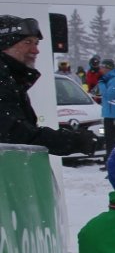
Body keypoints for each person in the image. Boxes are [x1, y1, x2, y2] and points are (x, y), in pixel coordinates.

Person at [0, 16, 97, 155]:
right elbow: (15, 135)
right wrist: (72, 140)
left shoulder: (12, 79)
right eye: (27, 42)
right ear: (4, 45)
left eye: (36, 43)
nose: (35, 50)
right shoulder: (4, 81)